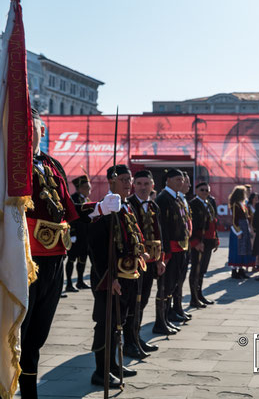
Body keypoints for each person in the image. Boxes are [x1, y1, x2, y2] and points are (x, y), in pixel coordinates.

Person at [19, 109, 83, 397]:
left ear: (42, 132)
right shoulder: (9, 162)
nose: (29, 134)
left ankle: (29, 391)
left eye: (33, 128)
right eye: (23, 128)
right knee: (17, 330)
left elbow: (69, 210)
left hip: (55, 257)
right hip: (23, 258)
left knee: (38, 333)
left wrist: (98, 210)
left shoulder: (52, 163)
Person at [88, 164, 148, 387]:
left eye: (128, 178)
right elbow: (96, 246)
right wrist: (109, 277)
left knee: (118, 323)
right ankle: (100, 371)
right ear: (110, 181)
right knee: (105, 324)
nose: (127, 183)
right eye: (122, 179)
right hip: (108, 278)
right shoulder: (105, 208)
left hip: (127, 275)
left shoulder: (126, 206)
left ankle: (113, 365)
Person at [127, 170, 167, 354]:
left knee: (143, 301)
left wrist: (160, 259)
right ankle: (129, 341)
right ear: (134, 185)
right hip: (134, 263)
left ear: (152, 185)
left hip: (151, 261)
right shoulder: (128, 205)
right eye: (139, 183)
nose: (143, 187)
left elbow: (159, 233)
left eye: (146, 184)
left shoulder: (153, 205)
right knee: (133, 301)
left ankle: (137, 336)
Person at [155, 168, 190, 331]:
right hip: (171, 249)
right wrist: (166, 252)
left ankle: (168, 314)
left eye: (182, 180)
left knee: (174, 283)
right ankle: (161, 320)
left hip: (181, 247)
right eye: (177, 179)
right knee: (166, 285)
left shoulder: (176, 198)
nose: (181, 182)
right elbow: (163, 228)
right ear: (168, 180)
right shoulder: (163, 199)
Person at [189, 182, 219, 307]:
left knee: (202, 270)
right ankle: (194, 298)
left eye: (207, 190)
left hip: (208, 241)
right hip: (199, 241)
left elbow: (213, 222)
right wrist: (195, 242)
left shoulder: (209, 203)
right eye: (202, 190)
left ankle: (199, 294)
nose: (205, 192)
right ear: (196, 191)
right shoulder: (193, 204)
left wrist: (216, 238)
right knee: (196, 270)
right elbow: (191, 226)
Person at [64, 175, 92, 292]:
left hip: (85, 235)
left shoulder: (87, 200)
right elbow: (71, 217)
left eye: (89, 188)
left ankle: (80, 281)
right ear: (79, 188)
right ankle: (69, 283)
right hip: (75, 236)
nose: (89, 190)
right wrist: (72, 233)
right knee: (71, 259)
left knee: (82, 259)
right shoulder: (74, 199)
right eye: (86, 187)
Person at [172, 172, 193, 322]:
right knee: (173, 282)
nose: (187, 185)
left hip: (185, 244)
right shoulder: (173, 199)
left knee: (180, 279)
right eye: (186, 182)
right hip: (176, 246)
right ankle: (171, 311)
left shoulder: (183, 199)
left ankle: (178, 308)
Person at [228, 186, 253, 278]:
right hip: (238, 229)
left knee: (243, 249)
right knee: (237, 250)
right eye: (244, 192)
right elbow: (234, 220)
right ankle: (235, 270)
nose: (246, 194)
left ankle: (241, 270)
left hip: (244, 228)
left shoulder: (242, 204)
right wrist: (238, 232)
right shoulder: (235, 205)